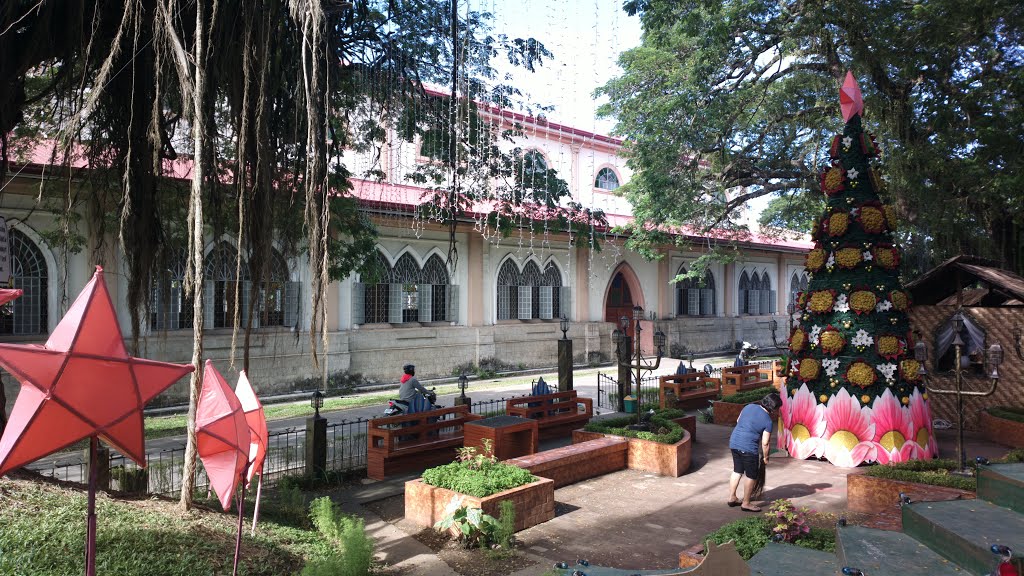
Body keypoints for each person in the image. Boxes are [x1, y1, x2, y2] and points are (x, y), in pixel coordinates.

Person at [727, 392, 782, 512]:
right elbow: (765, 443)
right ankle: (746, 503)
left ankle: (732, 497)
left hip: (734, 442)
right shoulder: (768, 421)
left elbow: (738, 421)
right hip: (748, 448)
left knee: (737, 470)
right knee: (751, 475)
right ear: (773, 408)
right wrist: (766, 457)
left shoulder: (749, 406)